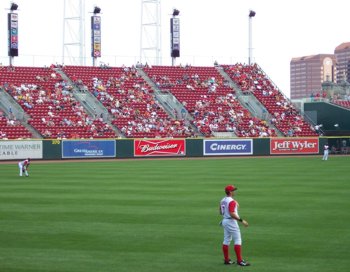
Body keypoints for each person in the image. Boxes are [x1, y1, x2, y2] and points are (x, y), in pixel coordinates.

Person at [219, 184, 250, 266]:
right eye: (233, 190)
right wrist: (242, 221)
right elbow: (232, 213)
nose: (234, 191)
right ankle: (240, 261)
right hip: (231, 221)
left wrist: (234, 203)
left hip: (225, 221)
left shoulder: (222, 200)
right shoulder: (232, 201)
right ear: (230, 192)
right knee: (238, 240)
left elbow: (220, 212)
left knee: (226, 240)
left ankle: (226, 260)